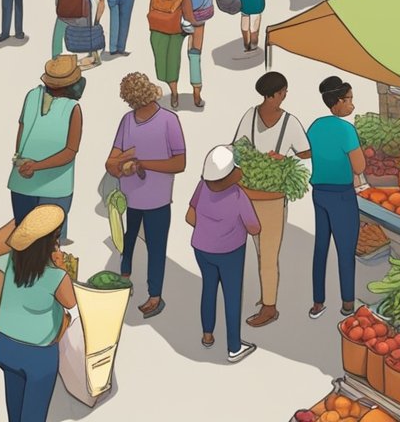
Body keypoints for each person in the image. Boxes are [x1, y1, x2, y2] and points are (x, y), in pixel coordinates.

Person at [105, 72, 187, 318]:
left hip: (158, 200)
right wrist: (119, 165)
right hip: (130, 199)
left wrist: (144, 164)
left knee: (156, 247)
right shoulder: (127, 121)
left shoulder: (169, 121)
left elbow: (179, 163)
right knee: (127, 242)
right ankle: (124, 279)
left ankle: (155, 296)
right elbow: (111, 161)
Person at [233, 72, 311, 328]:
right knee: (255, 251)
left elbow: (304, 152)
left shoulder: (287, 121)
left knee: (266, 254)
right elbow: (238, 149)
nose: (285, 96)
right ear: (274, 94)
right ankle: (263, 299)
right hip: (250, 194)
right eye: (283, 92)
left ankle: (269, 307)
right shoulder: (253, 116)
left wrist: (283, 159)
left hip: (270, 198)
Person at [0, 206, 76, 422]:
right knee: (33, 416)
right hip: (38, 353)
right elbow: (70, 301)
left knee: (15, 410)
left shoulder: (6, 262)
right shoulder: (55, 276)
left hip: (5, 345)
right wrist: (62, 267)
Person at [187, 145, 260, 362]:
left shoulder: (202, 186)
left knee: (208, 288)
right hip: (230, 253)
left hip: (201, 249)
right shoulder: (238, 195)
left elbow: (190, 216)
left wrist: (208, 231)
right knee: (232, 296)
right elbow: (254, 227)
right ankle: (234, 348)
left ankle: (207, 335)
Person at [305, 76, 366, 319]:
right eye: (349, 100)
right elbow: (359, 167)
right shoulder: (347, 130)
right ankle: (347, 304)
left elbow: (312, 152)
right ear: (338, 101)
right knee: (345, 250)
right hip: (342, 196)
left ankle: (317, 303)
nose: (352, 105)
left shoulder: (316, 125)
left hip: (319, 193)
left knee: (321, 247)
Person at [11, 56, 85, 241]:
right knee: (48, 244)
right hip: (55, 188)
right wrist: (32, 165)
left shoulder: (31, 96)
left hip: (24, 180)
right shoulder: (73, 108)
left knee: (25, 240)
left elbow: (21, 130)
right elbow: (70, 151)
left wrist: (21, 160)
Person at [148, 0, 203, 108]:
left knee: (161, 64)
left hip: (156, 32)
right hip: (174, 32)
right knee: (173, 64)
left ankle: (172, 91)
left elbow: (151, 11)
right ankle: (174, 95)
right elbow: (190, 18)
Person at [169, 0, 214, 108]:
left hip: (179, 10)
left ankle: (174, 93)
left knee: (173, 52)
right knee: (195, 53)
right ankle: (196, 92)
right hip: (201, 10)